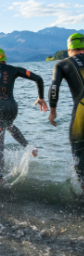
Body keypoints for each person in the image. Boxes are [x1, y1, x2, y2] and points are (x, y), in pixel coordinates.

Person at [0, 49, 47, 185]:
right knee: (7, 124)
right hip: (12, 108)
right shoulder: (14, 69)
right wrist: (41, 97)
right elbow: (38, 78)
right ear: (5, 59)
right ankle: (29, 148)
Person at [48, 33, 84, 190]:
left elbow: (54, 87)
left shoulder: (62, 64)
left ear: (69, 49)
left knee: (79, 154)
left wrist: (53, 111)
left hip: (81, 113)